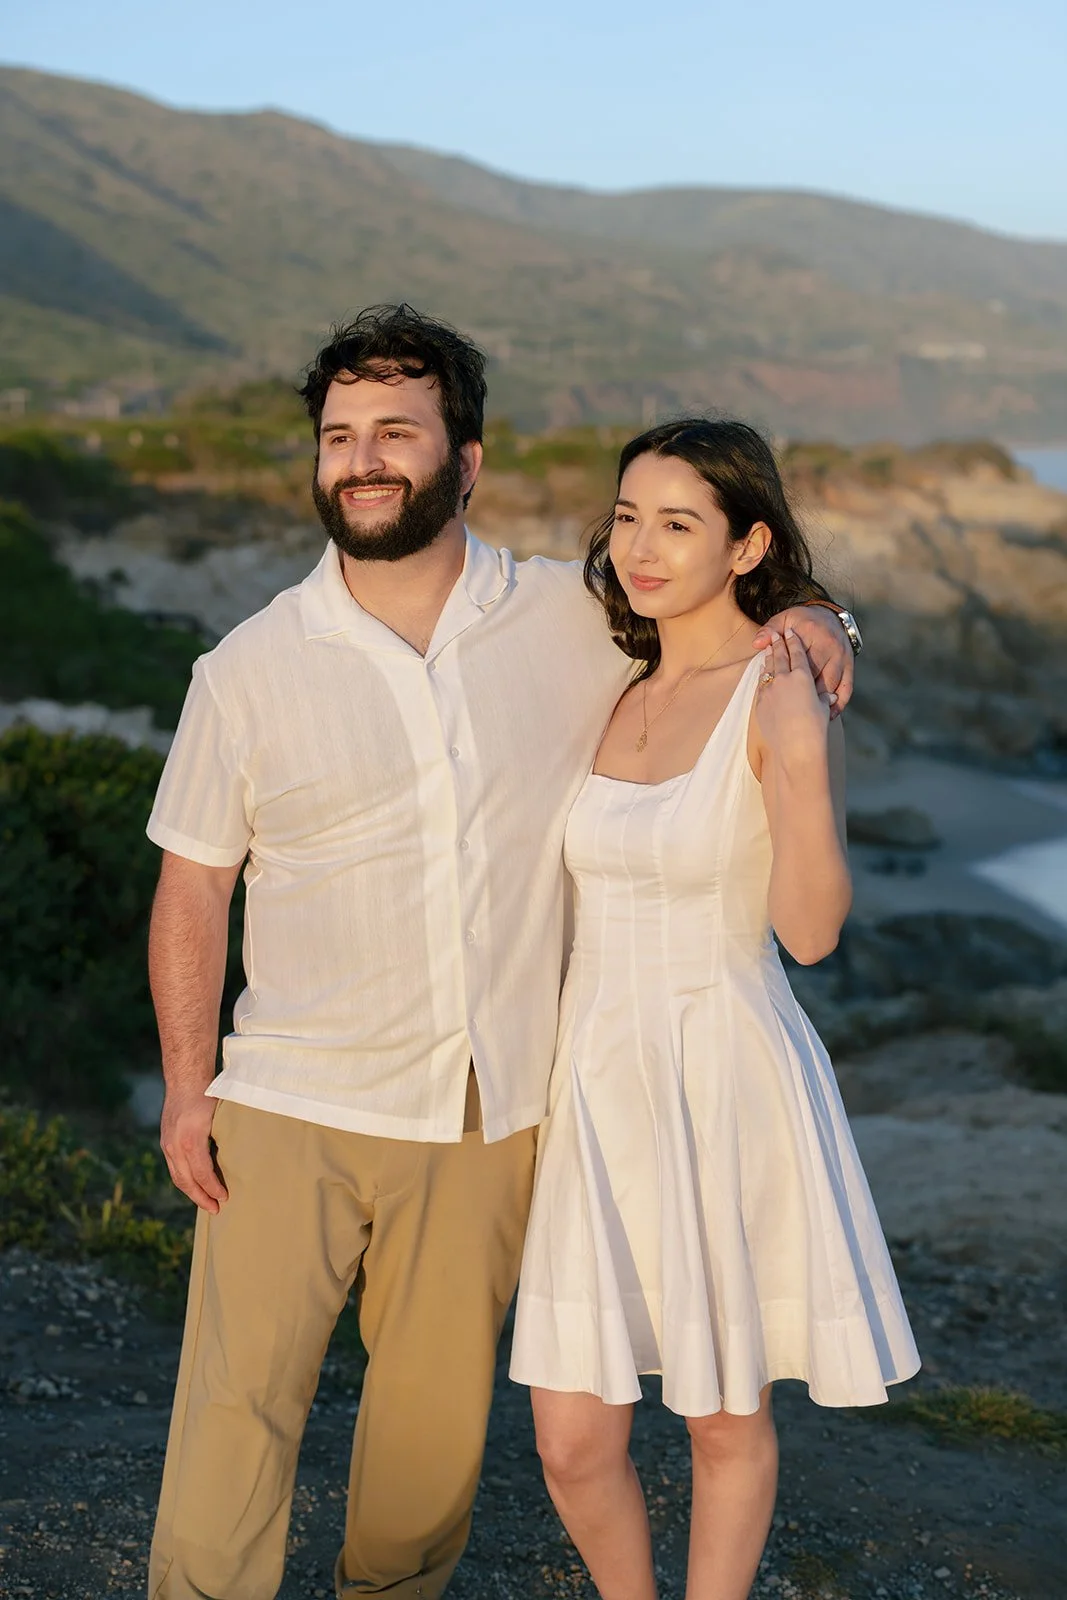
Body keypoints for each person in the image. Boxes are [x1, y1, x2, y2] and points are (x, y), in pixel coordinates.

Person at [144, 306, 856, 1600]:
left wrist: (817, 618)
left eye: (394, 434)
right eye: (338, 436)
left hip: (487, 1116)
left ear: (461, 463)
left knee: (424, 1467)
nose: (362, 459)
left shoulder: (568, 621)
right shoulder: (242, 670)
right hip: (287, 1099)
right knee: (231, 1434)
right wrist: (186, 1086)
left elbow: (711, 618)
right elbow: (192, 885)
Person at [509, 418, 920, 1600]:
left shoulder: (781, 689)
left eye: (678, 523)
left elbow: (809, 931)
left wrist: (796, 756)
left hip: (718, 1065)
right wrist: (827, 608)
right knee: (571, 1438)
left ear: (745, 548)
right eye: (628, 515)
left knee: (719, 1417)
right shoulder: (607, 677)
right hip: (593, 1079)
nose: (640, 545)